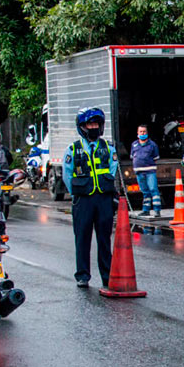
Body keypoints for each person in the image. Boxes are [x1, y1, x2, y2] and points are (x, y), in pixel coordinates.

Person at [62, 107, 119, 288]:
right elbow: (67, 174)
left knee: (104, 239)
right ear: (82, 127)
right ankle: (83, 275)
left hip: (103, 199)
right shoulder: (73, 150)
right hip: (83, 200)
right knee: (82, 238)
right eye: (90, 124)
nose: (93, 127)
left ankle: (107, 275)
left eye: (96, 124)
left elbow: (113, 168)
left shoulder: (108, 148)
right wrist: (76, 193)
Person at [130, 124, 161, 217]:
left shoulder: (152, 145)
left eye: (144, 132)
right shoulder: (134, 144)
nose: (142, 133)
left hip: (150, 172)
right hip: (139, 172)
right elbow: (132, 156)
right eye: (141, 132)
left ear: (147, 133)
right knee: (145, 191)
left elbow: (156, 158)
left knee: (153, 189)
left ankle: (157, 210)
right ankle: (146, 210)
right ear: (137, 133)